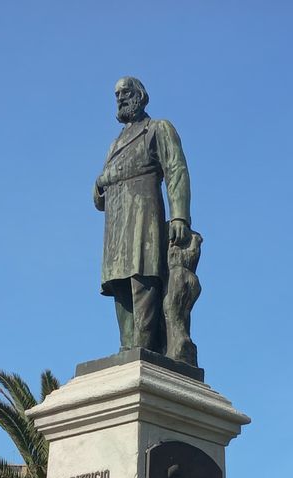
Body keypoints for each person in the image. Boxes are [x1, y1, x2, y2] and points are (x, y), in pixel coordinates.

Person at [94, 76, 191, 353]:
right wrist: (100, 185)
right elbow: (98, 197)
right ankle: (128, 349)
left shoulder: (157, 128)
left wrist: (180, 216)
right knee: (120, 284)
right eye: (116, 95)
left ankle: (144, 351)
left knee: (143, 281)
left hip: (143, 219)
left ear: (139, 95)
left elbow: (176, 170)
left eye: (125, 92)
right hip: (116, 224)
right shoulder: (114, 145)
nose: (120, 98)